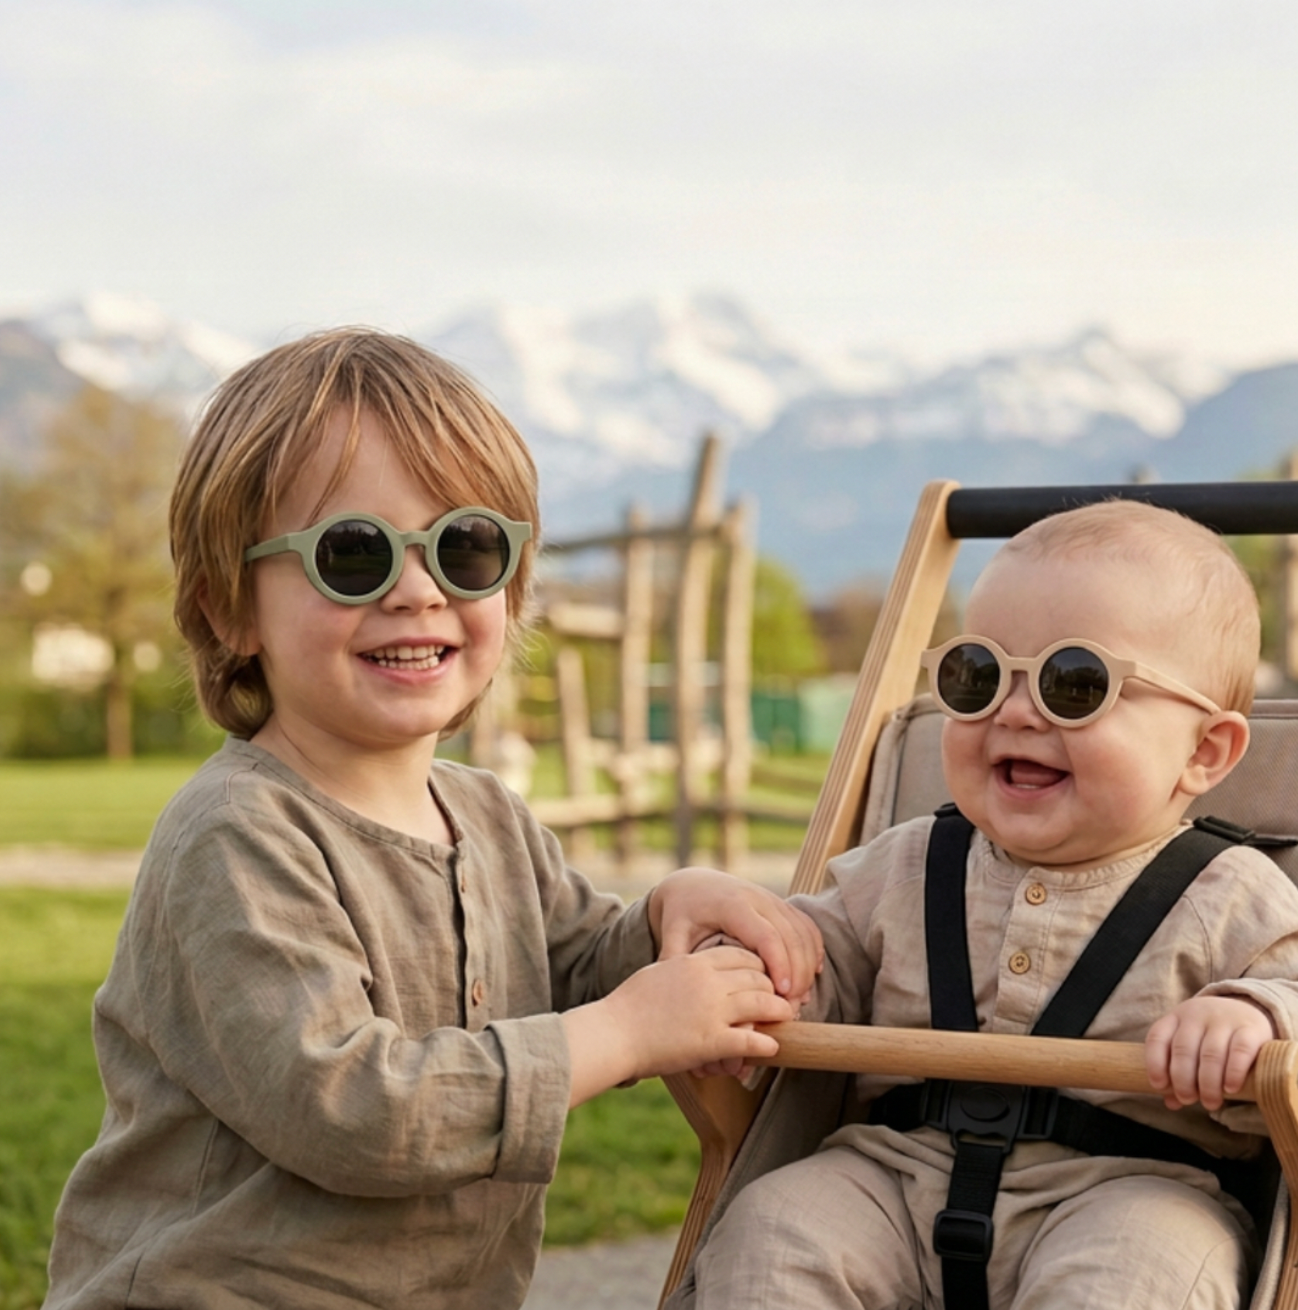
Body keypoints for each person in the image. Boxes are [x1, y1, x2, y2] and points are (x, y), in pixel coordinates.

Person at [43, 327, 822, 1310]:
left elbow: (576, 962)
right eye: (354, 555)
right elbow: (351, 1107)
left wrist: (669, 914)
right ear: (231, 610)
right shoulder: (236, 835)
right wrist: (625, 1033)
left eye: (465, 546)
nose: (417, 589)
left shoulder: (484, 811)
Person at [681, 499, 1298, 1310]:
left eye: (1074, 684)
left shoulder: (1233, 890)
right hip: (893, 1174)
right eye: (975, 676)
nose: (1013, 711)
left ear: (1204, 752)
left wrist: (1256, 1017)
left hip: (1129, 1190)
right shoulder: (905, 862)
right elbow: (816, 954)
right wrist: (758, 974)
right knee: (773, 1228)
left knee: (1141, 1281)